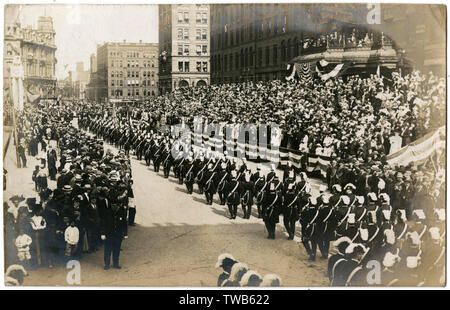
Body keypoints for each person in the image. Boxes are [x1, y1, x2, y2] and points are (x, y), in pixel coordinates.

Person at [100, 193, 128, 270]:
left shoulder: (122, 212)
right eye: (112, 205)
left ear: (118, 205)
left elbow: (124, 224)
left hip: (118, 235)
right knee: (107, 250)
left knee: (117, 250)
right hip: (109, 235)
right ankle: (107, 264)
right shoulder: (107, 212)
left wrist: (125, 234)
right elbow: (103, 223)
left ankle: (116, 263)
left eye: (115, 205)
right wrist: (102, 233)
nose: (114, 206)